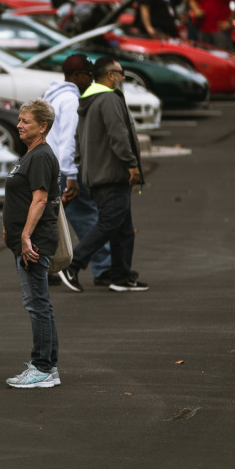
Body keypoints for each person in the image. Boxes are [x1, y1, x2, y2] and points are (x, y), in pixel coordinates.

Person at [58, 56, 149, 293]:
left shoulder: (88, 99)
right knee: (110, 223)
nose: (122, 78)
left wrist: (82, 164)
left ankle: (120, 276)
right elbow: (117, 134)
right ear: (110, 75)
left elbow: (78, 139)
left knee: (123, 228)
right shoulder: (108, 98)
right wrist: (131, 164)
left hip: (99, 174)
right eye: (121, 74)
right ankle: (72, 264)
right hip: (111, 174)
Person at [3, 99, 63, 388]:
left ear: (43, 126)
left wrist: (25, 235)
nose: (19, 125)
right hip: (27, 240)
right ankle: (48, 366)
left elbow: (39, 199)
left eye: (25, 121)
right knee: (40, 304)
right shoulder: (31, 154)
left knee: (36, 304)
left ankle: (41, 367)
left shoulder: (40, 156)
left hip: (34, 242)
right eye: (19, 119)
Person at [44, 54, 111, 284]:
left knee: (51, 219)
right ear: (75, 76)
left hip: (49, 166)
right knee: (87, 216)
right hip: (65, 169)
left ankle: (47, 267)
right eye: (88, 76)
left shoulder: (51, 96)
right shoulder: (71, 101)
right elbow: (69, 141)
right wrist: (71, 175)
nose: (91, 81)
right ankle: (104, 268)